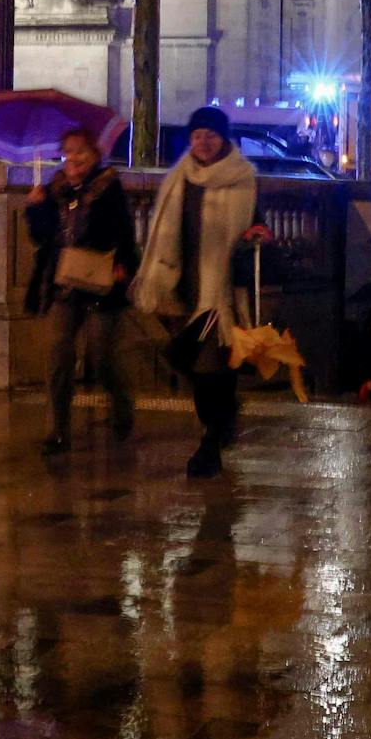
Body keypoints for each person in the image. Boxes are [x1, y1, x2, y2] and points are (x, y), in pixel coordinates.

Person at [133, 106, 266, 478]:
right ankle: (222, 420)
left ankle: (209, 445)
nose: (203, 142)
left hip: (220, 295)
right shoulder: (181, 178)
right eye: (196, 135)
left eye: (210, 135)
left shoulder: (243, 179)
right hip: (183, 287)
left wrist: (257, 235)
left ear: (224, 138)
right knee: (192, 366)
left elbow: (259, 225)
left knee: (211, 369)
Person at [26, 126, 139, 455]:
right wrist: (35, 208)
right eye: (69, 151)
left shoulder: (109, 187)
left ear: (95, 156)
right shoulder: (55, 188)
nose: (73, 158)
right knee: (59, 355)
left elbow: (126, 234)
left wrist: (123, 266)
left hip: (102, 283)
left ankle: (122, 408)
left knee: (102, 356)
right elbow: (43, 236)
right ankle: (57, 430)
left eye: (81, 152)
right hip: (65, 284)